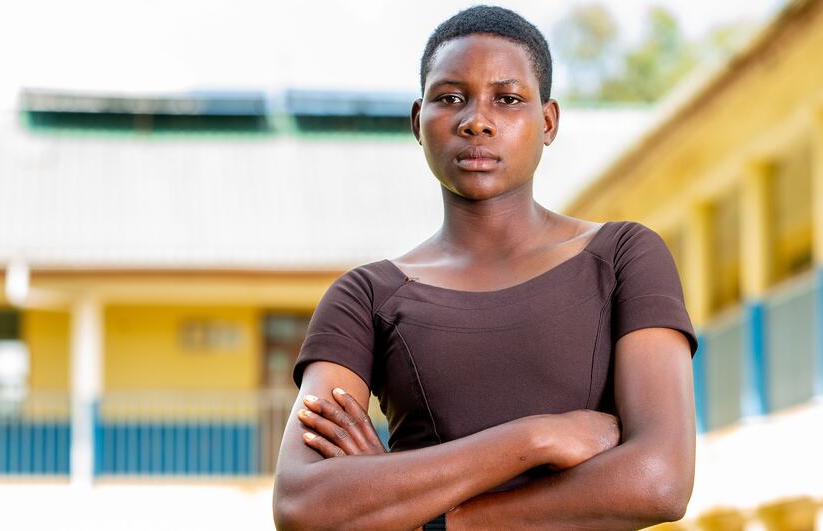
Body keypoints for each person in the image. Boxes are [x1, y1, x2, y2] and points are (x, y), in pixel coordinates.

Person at [271, 5, 698, 530]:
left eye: (508, 99)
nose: (476, 120)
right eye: (450, 98)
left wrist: (435, 518)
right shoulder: (366, 296)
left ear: (547, 122)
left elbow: (659, 480)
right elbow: (302, 506)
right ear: (417, 121)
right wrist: (536, 437)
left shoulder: (621, 258)